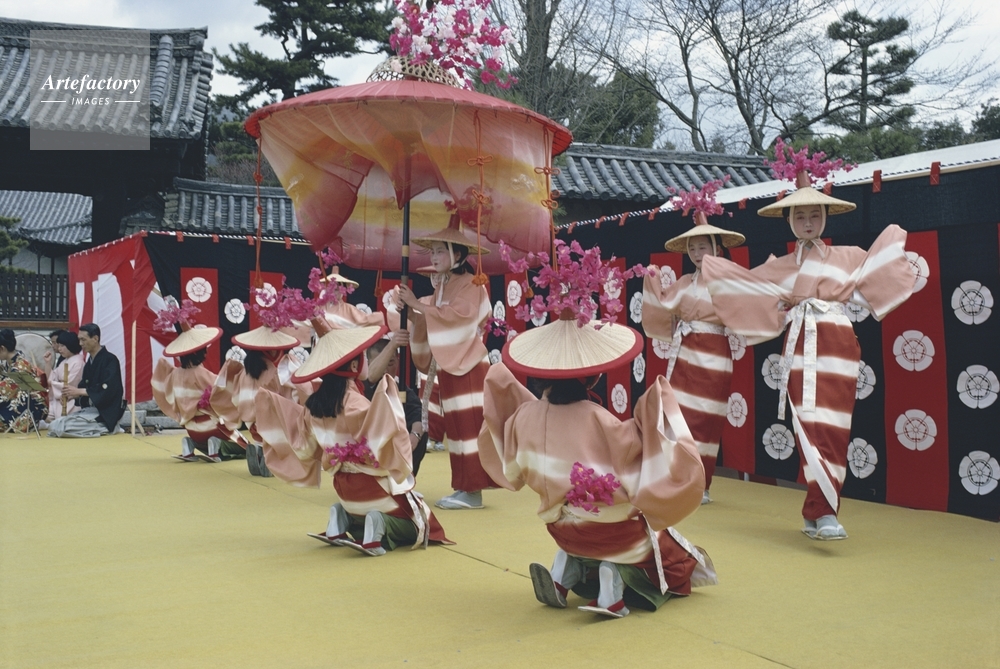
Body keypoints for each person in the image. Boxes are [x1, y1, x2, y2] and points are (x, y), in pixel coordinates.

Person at [478, 241, 716, 618]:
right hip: (610, 534)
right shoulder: (600, 420)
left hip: (559, 526)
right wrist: (657, 419)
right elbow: (638, 474)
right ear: (593, 374)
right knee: (667, 554)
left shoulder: (522, 418)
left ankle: (565, 570)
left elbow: (512, 470)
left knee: (577, 522)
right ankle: (612, 584)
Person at [701, 160, 915, 541]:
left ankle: (822, 511)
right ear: (789, 221)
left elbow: (874, 286)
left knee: (834, 427)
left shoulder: (849, 257)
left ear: (825, 217)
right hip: (800, 345)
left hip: (838, 346)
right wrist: (716, 271)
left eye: (815, 214)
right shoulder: (780, 267)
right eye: (800, 216)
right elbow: (747, 292)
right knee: (808, 426)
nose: (808, 222)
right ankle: (820, 511)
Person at [254, 318, 450, 556]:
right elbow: (383, 445)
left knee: (364, 510)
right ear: (355, 364)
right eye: (364, 357)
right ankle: (379, 522)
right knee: (422, 522)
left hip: (343, 488)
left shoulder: (313, 407)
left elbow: (306, 450)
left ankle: (341, 517)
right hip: (372, 488)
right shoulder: (357, 403)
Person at [642, 182, 745, 504]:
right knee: (678, 415)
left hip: (715, 356)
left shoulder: (731, 280)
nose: (698, 254)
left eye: (704, 247)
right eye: (693, 248)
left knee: (706, 419)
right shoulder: (685, 282)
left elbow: (751, 304)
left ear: (717, 248)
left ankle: (701, 483)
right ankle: (677, 478)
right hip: (685, 353)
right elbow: (663, 304)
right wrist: (652, 278)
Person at [394, 223, 494, 510]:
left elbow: (459, 318)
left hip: (469, 363)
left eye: (440, 251)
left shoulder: (473, 284)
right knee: (457, 428)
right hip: (451, 363)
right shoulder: (443, 285)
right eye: (433, 252)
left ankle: (473, 491)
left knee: (468, 428)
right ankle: (464, 486)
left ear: (457, 254)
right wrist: (411, 312)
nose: (434, 257)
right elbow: (435, 319)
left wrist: (418, 305)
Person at [210, 324, 308, 475]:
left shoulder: (246, 371)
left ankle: (259, 449)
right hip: (277, 424)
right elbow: (301, 394)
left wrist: (250, 418)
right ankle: (271, 460)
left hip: (254, 425)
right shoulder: (286, 367)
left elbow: (238, 399)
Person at [151, 305, 241, 462]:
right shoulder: (202, 374)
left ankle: (189, 445)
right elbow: (220, 394)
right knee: (241, 446)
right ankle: (216, 445)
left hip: (191, 428)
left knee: (200, 440)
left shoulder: (174, 375)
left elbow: (172, 399)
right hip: (211, 427)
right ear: (200, 351)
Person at [364, 333, 426, 475]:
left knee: (421, 433)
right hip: (365, 445)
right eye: (381, 363)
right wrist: (393, 345)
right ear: (368, 363)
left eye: (390, 363)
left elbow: (418, 415)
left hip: (393, 448)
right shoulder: (361, 385)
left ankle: (404, 478)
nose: (385, 370)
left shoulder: (402, 389)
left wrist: (415, 435)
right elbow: (371, 377)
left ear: (398, 362)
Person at [49, 323, 125, 438]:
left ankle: (108, 427)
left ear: (95, 339)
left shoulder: (110, 360)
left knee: (63, 427)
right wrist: (72, 395)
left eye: (83, 340)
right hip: (91, 411)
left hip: (105, 414)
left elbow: (108, 389)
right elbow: (83, 385)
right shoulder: (90, 362)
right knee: (55, 426)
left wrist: (79, 391)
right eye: (79, 340)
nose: (80, 344)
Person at [0, 328, 47, 432]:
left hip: (30, 407)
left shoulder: (21, 365)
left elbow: (4, 390)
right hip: (16, 402)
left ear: (2, 348)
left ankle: (36, 423)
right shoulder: (9, 363)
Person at [44, 331, 85, 422]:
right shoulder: (64, 362)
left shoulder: (78, 363)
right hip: (58, 399)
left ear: (70, 345)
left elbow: (70, 385)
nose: (59, 349)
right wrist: (48, 363)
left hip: (70, 400)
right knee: (42, 413)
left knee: (61, 420)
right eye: (59, 345)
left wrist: (52, 383)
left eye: (62, 346)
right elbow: (51, 378)